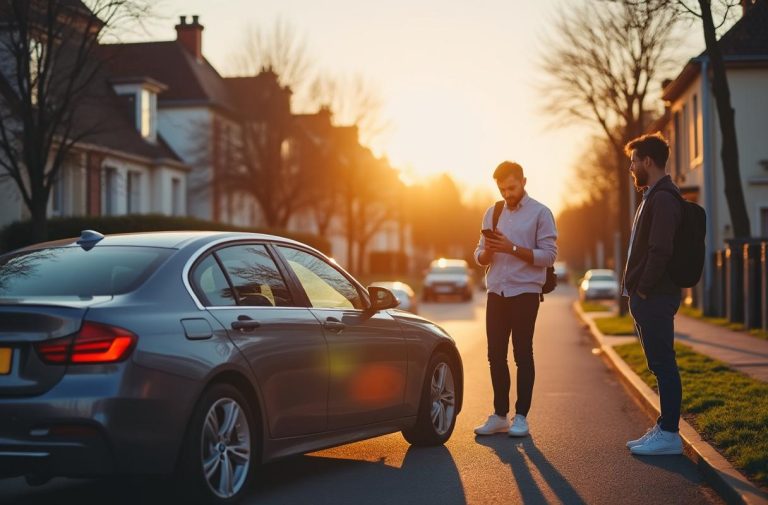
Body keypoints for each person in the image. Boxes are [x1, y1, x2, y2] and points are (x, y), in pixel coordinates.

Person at [473, 161, 557, 437]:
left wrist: (510, 248)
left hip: (525, 292)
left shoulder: (541, 213)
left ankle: (521, 417)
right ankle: (500, 415)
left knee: (522, 353)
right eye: (502, 189)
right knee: (495, 355)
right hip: (496, 290)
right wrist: (488, 252)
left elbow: (549, 256)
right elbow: (479, 254)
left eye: (511, 188)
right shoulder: (493, 212)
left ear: (523, 182)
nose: (507, 194)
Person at [622, 132, 684, 456]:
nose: (631, 167)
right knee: (659, 365)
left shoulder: (663, 198)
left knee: (664, 363)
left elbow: (660, 250)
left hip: (656, 295)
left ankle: (670, 435)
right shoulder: (653, 196)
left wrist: (643, 289)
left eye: (634, 161)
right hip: (650, 296)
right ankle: (664, 426)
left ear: (648, 161)